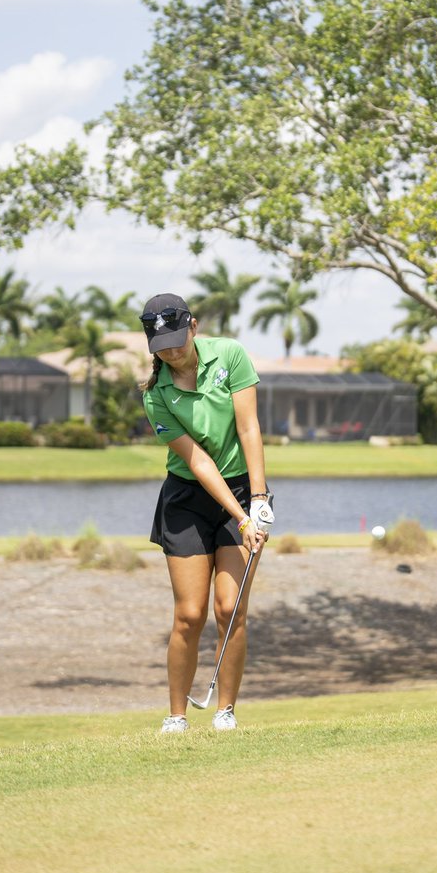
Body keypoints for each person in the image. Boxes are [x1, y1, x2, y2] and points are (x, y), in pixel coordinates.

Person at [139, 292, 272, 734]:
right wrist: (243, 517)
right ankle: (176, 716)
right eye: (163, 345)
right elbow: (198, 462)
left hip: (241, 488)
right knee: (189, 615)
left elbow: (249, 427)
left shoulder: (230, 356)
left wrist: (257, 500)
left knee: (229, 608)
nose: (173, 350)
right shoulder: (156, 396)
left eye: (179, 338)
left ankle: (225, 711)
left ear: (193, 326)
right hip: (188, 500)